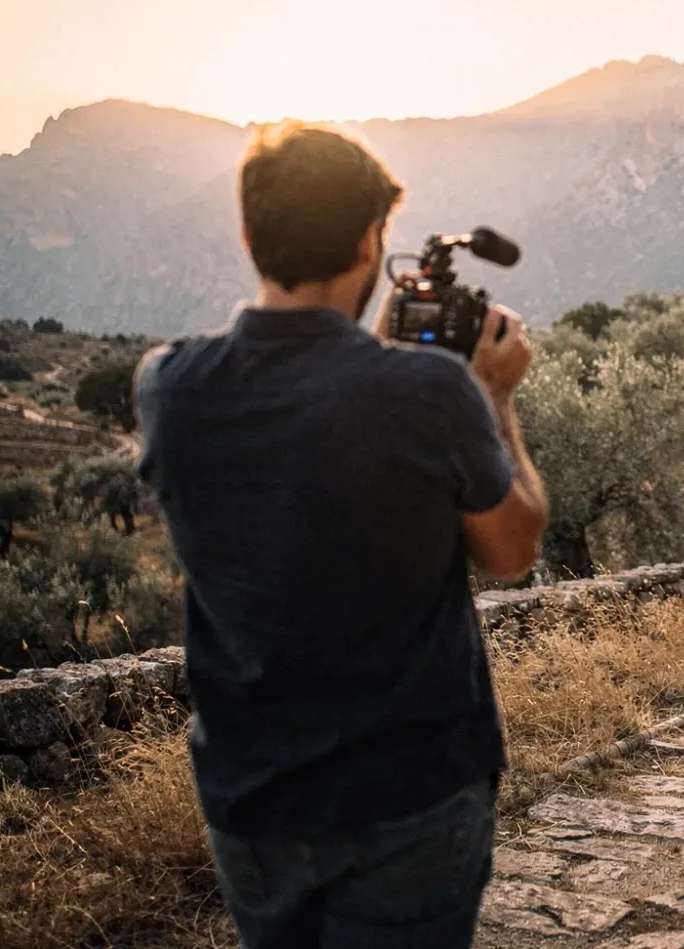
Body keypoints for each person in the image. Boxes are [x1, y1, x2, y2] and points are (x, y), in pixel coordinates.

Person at [134, 123, 549, 949]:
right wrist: (494, 397)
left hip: (253, 802)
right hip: (412, 795)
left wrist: (378, 354)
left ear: (250, 236)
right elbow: (514, 550)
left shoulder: (167, 388)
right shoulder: (433, 394)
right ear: (371, 240)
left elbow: (313, 408)